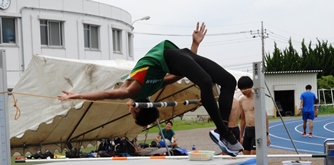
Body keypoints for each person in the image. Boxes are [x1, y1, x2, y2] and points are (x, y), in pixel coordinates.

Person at [58, 22, 243, 156]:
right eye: (132, 113)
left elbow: (108, 93)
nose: (128, 108)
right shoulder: (140, 90)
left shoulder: (136, 89)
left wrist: (79, 95)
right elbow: (180, 74)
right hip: (176, 58)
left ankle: (222, 129)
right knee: (206, 81)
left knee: (228, 81)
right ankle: (223, 132)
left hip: (178, 55)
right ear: (137, 107)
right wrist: (80, 96)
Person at [238, 76, 271, 155]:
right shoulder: (241, 100)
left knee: (254, 155)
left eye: (245, 89)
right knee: (245, 155)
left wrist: (266, 134)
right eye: (241, 89)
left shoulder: (257, 99)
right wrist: (241, 135)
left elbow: (265, 117)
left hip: (257, 130)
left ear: (251, 87)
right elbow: (243, 119)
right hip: (248, 130)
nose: (243, 91)